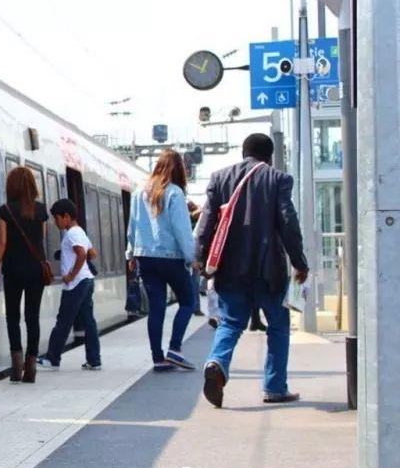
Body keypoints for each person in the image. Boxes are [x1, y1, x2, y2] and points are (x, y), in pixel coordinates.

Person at [196, 133, 309, 407]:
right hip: (268, 269)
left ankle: (216, 362)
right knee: (278, 325)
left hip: (229, 269)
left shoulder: (220, 178)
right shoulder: (278, 179)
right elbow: (288, 221)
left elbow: (206, 220)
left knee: (230, 322)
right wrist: (299, 261)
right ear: (269, 157)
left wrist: (201, 259)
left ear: (243, 152)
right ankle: (274, 387)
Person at [126, 149, 198, 372]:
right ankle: (175, 348)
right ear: (178, 169)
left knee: (156, 308)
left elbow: (132, 226)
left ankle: (158, 358)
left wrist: (131, 254)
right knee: (188, 301)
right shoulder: (175, 193)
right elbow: (182, 230)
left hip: (145, 258)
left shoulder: (138, 192)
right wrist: (192, 258)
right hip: (171, 258)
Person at [0, 166, 49, 384]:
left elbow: (2, 243)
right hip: (36, 270)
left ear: (11, 186)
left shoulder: (5, 210)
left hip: (13, 269)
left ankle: (16, 368)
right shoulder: (41, 210)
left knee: (13, 316)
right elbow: (41, 239)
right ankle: (31, 366)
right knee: (32, 316)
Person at [36, 199, 101, 371]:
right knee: (89, 321)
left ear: (66, 216)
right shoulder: (81, 232)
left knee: (63, 321)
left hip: (76, 284)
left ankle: (52, 358)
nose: (55, 222)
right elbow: (92, 253)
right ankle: (94, 360)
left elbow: (82, 254)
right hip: (86, 281)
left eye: (57, 218)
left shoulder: (72, 233)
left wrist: (71, 275)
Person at [187, 200, 205, 317]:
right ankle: (195, 307)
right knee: (194, 282)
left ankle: (195, 307)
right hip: (192, 251)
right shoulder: (190, 218)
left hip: (190, 251)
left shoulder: (190, 218)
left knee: (194, 281)